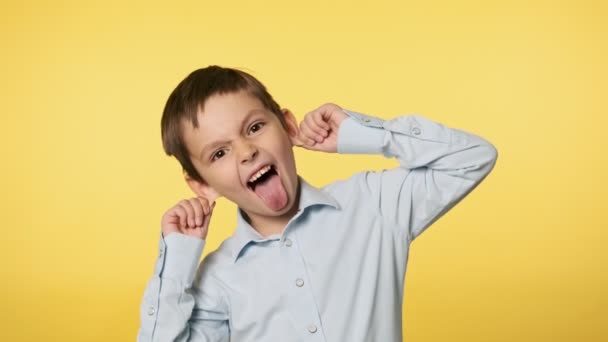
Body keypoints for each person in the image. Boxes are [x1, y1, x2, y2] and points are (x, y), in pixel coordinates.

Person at [137, 65, 498, 342]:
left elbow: (472, 158)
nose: (247, 152)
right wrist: (176, 264)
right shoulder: (218, 278)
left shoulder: (372, 205)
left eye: (254, 128)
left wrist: (364, 134)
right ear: (202, 185)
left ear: (288, 127)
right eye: (219, 152)